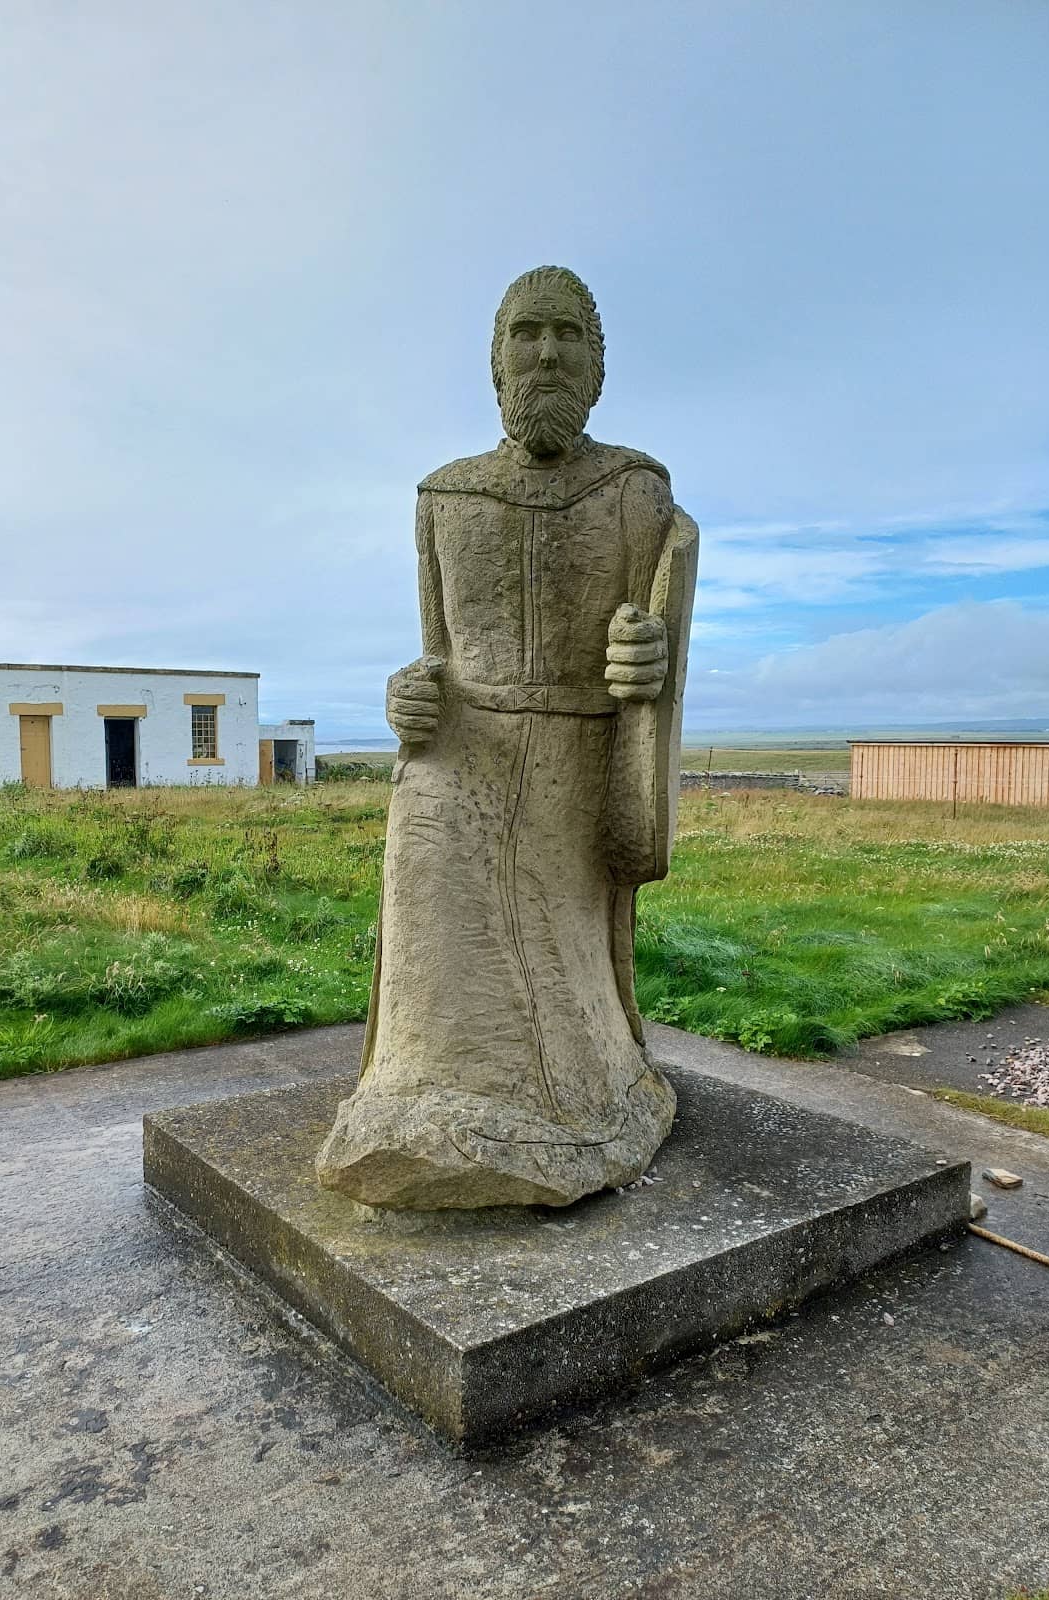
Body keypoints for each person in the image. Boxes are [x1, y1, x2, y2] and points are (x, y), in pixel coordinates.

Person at [316, 266, 697, 1208]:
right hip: (459, 763)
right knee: (431, 881)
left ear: (597, 364)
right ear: (497, 360)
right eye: (526, 334)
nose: (547, 354)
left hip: (576, 759)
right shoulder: (445, 496)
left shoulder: (634, 489)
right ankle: (410, 1107)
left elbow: (658, 626)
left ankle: (579, 1110)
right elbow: (436, 658)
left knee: (550, 963)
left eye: (569, 335)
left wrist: (648, 658)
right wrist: (408, 698)